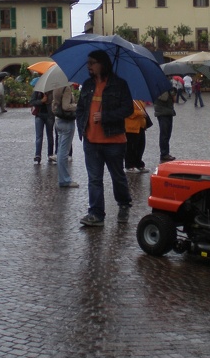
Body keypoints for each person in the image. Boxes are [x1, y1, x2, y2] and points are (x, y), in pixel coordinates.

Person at [75, 49, 133, 227]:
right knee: (94, 179)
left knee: (117, 177)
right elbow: (80, 109)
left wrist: (106, 116)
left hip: (114, 141)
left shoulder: (119, 84)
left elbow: (128, 109)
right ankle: (96, 214)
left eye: (92, 63)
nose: (89, 66)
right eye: (88, 63)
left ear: (102, 64)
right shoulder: (87, 85)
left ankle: (124, 204)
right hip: (91, 142)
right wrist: (82, 129)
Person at [52, 83, 78, 187]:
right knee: (63, 152)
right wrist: (77, 105)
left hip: (58, 120)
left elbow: (55, 104)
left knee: (60, 150)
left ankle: (62, 178)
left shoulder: (56, 86)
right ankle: (64, 180)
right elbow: (66, 106)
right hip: (67, 121)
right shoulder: (65, 87)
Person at [125, 99, 150, 173]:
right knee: (131, 148)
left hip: (140, 127)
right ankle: (129, 165)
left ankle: (138, 164)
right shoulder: (128, 99)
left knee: (140, 147)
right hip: (131, 128)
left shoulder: (138, 100)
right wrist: (140, 113)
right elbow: (127, 112)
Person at [30, 89, 55, 164]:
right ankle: (38, 155)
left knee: (50, 135)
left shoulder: (52, 90)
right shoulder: (38, 90)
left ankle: (50, 154)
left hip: (50, 116)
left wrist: (48, 99)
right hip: (39, 116)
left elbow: (55, 102)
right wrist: (41, 101)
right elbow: (32, 102)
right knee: (39, 136)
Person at [154, 81, 177, 162]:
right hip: (162, 113)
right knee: (164, 134)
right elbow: (164, 98)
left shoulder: (169, 86)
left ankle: (166, 153)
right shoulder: (158, 86)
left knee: (168, 133)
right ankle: (164, 154)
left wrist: (173, 91)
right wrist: (169, 91)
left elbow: (174, 100)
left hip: (169, 112)